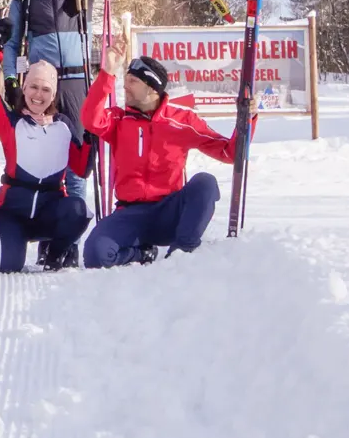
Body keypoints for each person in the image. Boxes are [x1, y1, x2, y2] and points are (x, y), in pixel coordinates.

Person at [2, 0, 137, 207]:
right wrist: (9, 78)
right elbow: (11, 41)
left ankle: (70, 233)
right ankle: (49, 229)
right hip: (40, 88)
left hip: (77, 85)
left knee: (78, 161)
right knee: (44, 160)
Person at [81, 36, 245, 268]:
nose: (125, 86)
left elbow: (230, 153)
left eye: (132, 81)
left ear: (151, 88)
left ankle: (182, 252)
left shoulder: (182, 121)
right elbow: (91, 119)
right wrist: (107, 71)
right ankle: (142, 253)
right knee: (95, 255)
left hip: (171, 212)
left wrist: (246, 120)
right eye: (125, 80)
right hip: (131, 213)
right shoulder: (119, 119)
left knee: (205, 183)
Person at [0, 20, 91, 273]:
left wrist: (89, 140)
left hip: (49, 211)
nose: (38, 95)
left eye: (45, 89)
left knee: (77, 209)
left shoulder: (64, 125)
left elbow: (81, 167)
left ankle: (54, 252)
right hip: (12, 212)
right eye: (33, 86)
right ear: (24, 86)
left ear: (53, 95)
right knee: (8, 267)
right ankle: (0, 240)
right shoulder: (12, 122)